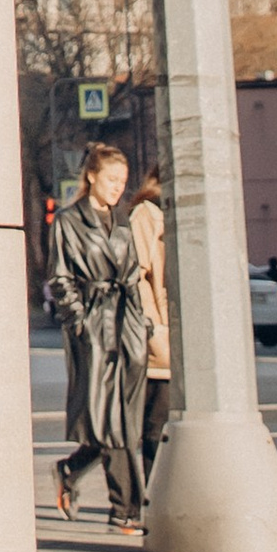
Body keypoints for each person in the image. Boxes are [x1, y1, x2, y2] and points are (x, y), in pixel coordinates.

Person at [47, 141, 150, 528]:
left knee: (121, 418)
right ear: (91, 176)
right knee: (110, 416)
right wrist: (79, 322)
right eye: (111, 179)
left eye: (122, 180)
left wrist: (142, 324)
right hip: (93, 327)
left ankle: (72, 471)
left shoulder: (121, 221)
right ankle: (126, 509)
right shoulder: (69, 221)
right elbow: (59, 277)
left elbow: (133, 276)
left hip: (126, 327)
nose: (118, 187)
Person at [127, 163, 172, 490]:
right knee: (154, 423)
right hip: (160, 333)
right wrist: (153, 324)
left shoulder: (182, 210)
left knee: (166, 422)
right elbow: (137, 274)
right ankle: (149, 498)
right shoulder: (148, 211)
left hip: (180, 333)